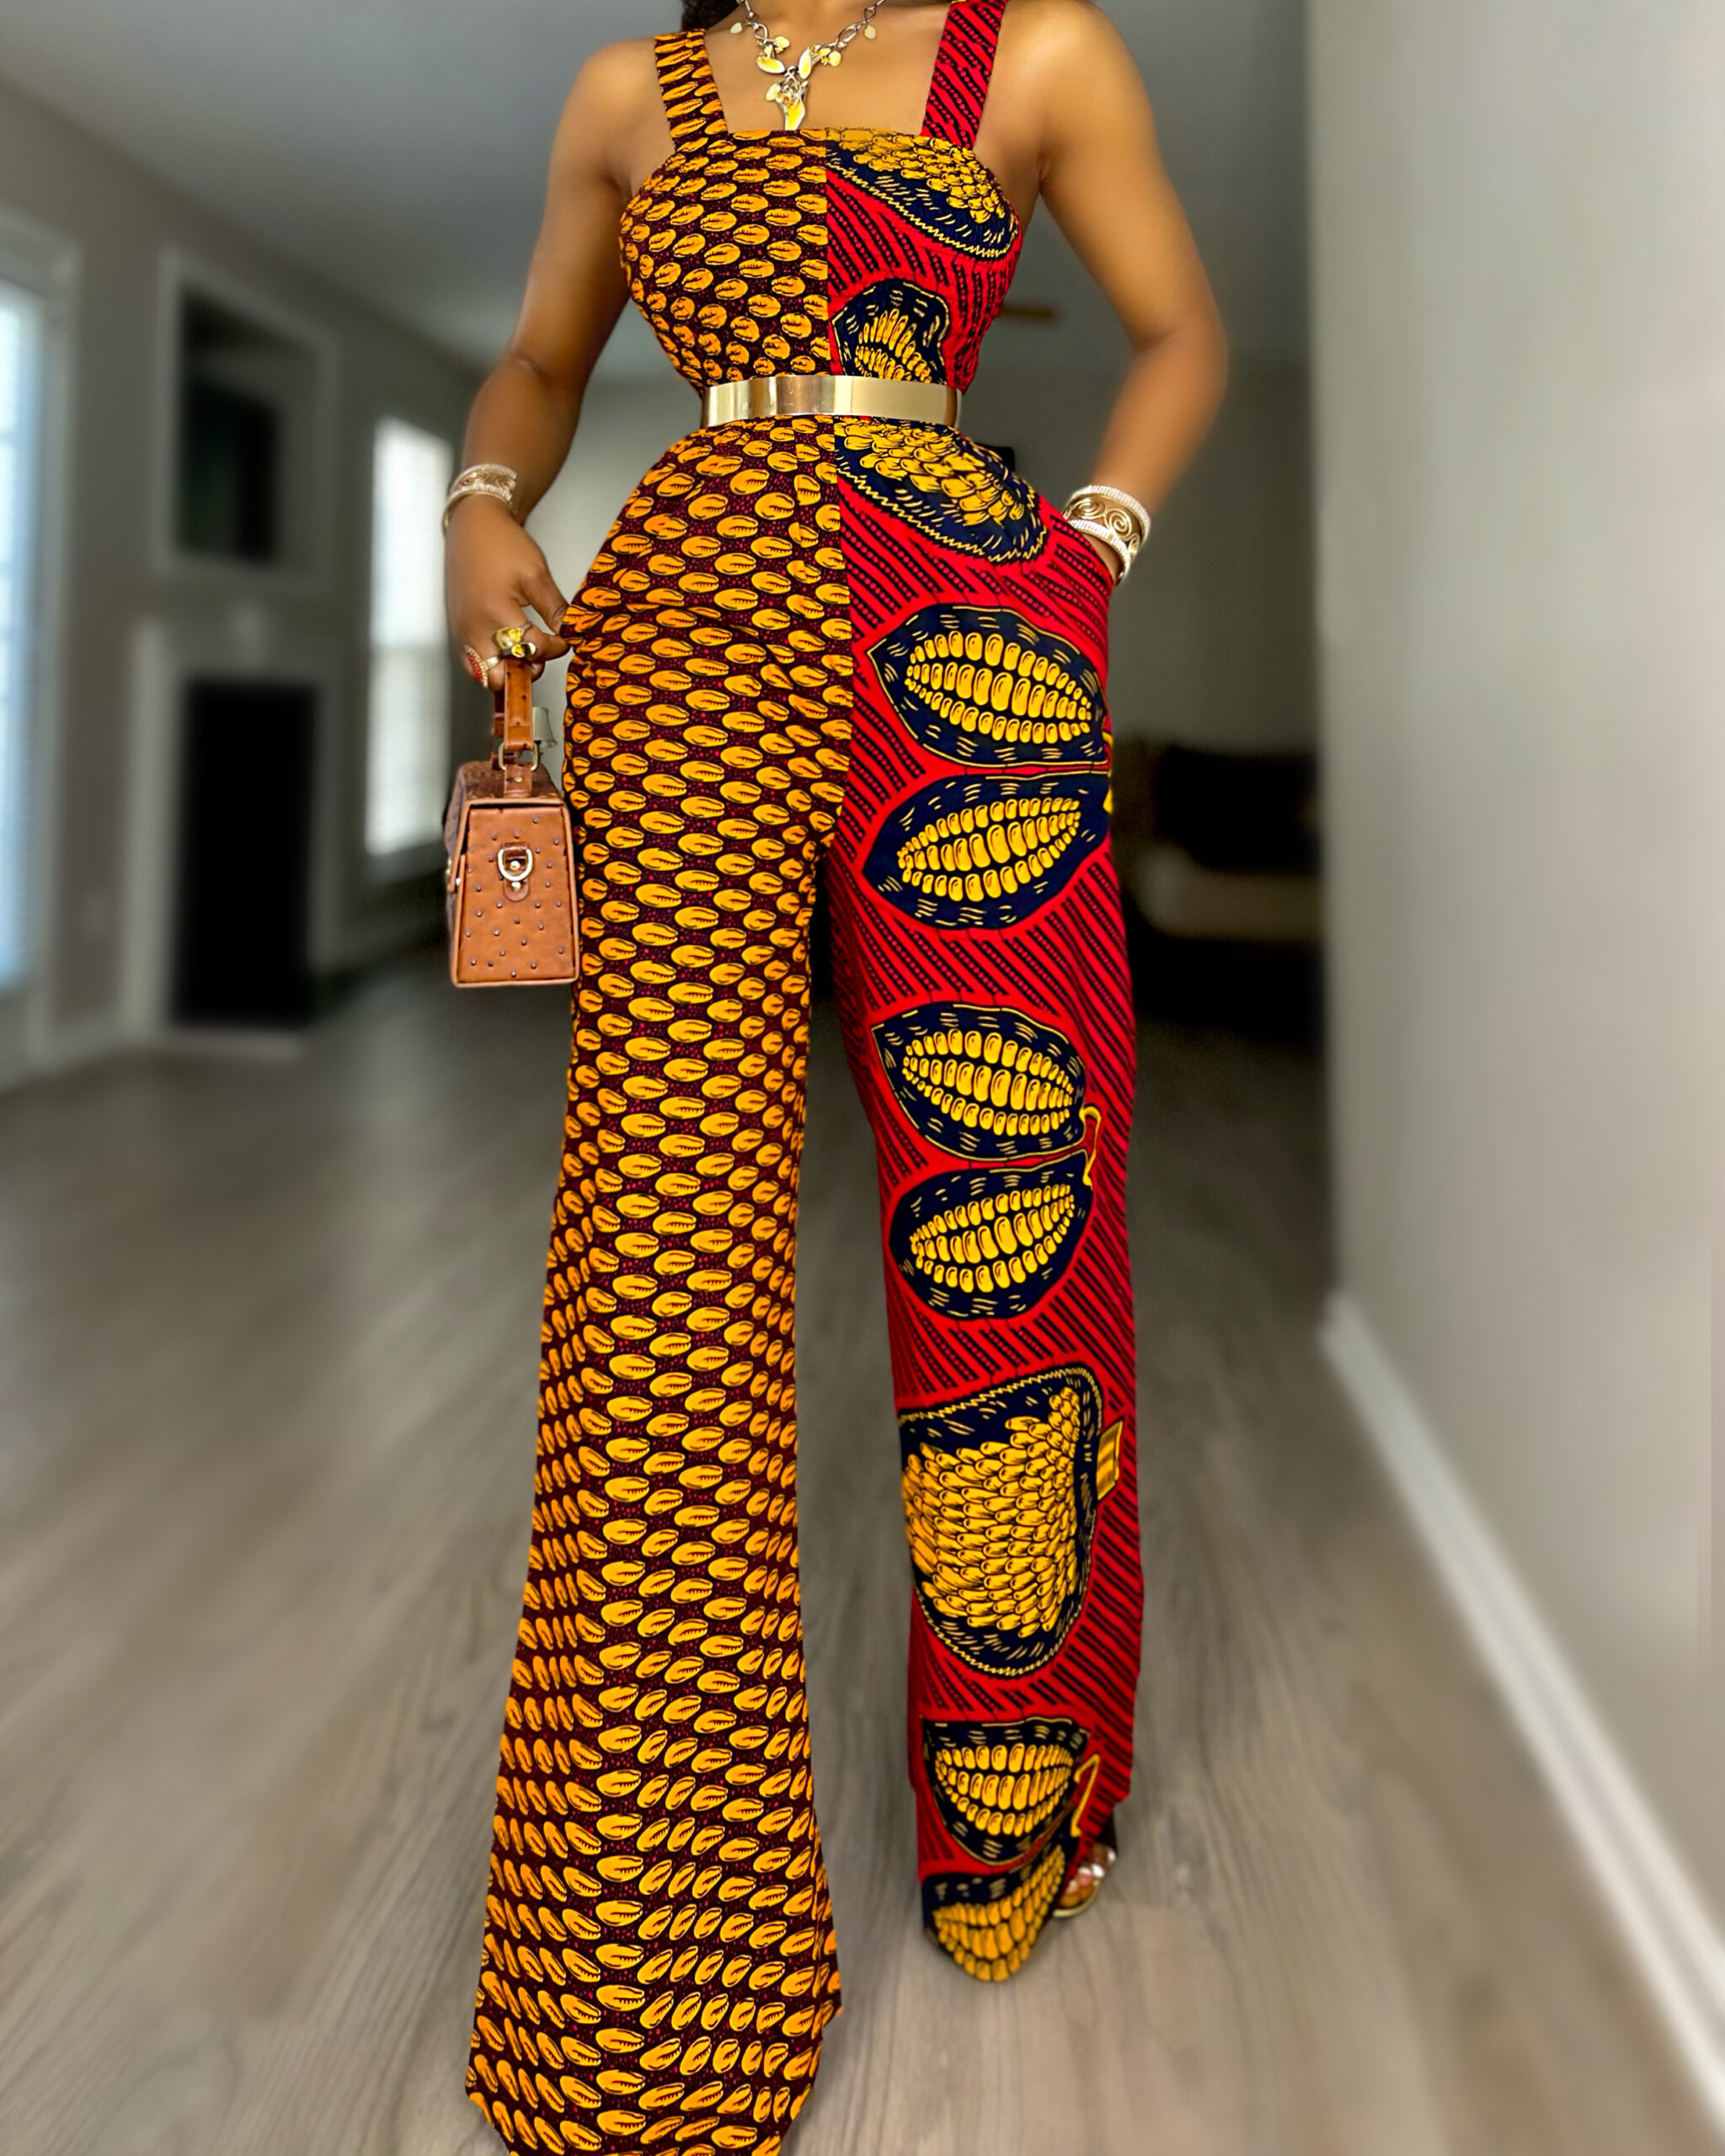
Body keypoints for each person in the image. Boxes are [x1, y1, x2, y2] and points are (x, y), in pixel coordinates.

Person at [444, 3, 1224, 2148]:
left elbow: (1179, 335)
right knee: (659, 1265)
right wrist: (484, 502)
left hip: (974, 621)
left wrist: (1086, 550)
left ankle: (1013, 1819)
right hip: (682, 624)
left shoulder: (1032, 52)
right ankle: (644, 1988)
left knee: (1015, 1206)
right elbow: (536, 357)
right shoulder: (633, 91)